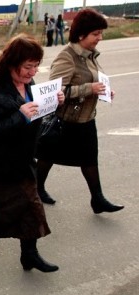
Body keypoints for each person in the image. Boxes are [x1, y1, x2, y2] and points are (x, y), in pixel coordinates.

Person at [0, 34, 64, 272]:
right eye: (28, 66)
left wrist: (55, 103)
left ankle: (30, 255)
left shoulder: (29, 84)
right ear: (11, 63)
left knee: (32, 206)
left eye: (36, 66)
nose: (33, 72)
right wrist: (19, 116)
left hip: (20, 159)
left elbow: (36, 114)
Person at [35, 8, 124, 214]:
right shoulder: (67, 57)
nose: (99, 38)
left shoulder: (89, 55)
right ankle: (37, 188)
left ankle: (97, 199)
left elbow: (94, 79)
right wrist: (88, 89)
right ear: (81, 34)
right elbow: (56, 91)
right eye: (96, 34)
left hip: (86, 119)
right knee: (48, 156)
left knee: (89, 159)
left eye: (101, 33)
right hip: (67, 120)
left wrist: (104, 91)